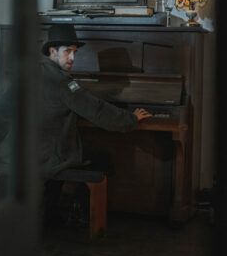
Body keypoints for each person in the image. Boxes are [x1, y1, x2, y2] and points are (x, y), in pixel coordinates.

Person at [39, 24, 151, 225]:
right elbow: (96, 110)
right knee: (102, 158)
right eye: (67, 51)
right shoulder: (63, 81)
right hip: (49, 155)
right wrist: (131, 119)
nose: (72, 58)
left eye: (75, 52)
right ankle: (82, 213)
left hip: (22, 151)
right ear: (52, 51)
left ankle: (51, 211)